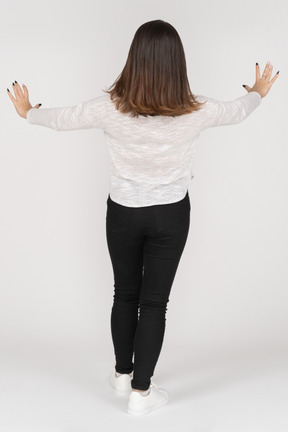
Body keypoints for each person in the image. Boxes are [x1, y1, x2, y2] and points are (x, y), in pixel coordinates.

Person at [7, 19, 279, 416]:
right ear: (177, 64)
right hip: (171, 215)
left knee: (124, 293)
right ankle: (141, 392)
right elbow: (238, 111)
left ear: (134, 60)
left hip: (122, 213)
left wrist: (28, 112)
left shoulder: (108, 108)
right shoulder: (198, 109)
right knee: (154, 304)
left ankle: (122, 375)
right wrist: (257, 93)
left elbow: (62, 119)